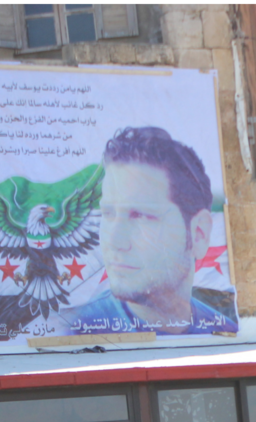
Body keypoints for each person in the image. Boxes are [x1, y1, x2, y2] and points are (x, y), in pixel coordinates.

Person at [71, 127, 237, 336]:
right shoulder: (81, 331)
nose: (115, 241)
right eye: (108, 213)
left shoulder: (223, 331)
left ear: (198, 234)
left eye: (140, 216)